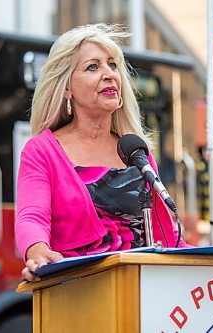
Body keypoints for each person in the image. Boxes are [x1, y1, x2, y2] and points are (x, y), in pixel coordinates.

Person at [15, 23, 186, 282]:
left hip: (145, 291)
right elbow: (31, 217)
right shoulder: (42, 151)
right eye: (93, 67)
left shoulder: (135, 151)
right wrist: (37, 251)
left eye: (112, 65)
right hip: (79, 292)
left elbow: (168, 235)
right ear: (66, 88)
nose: (109, 74)